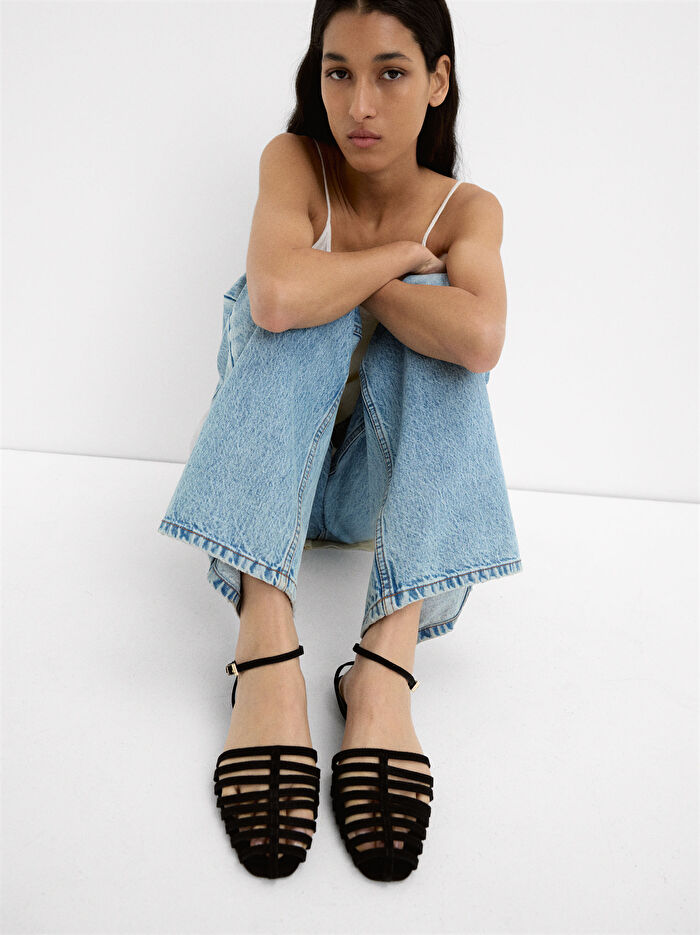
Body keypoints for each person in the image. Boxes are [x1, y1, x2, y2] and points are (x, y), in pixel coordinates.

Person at [158, 0, 523, 882]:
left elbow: (481, 340)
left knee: (434, 323)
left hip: (365, 498)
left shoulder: (468, 210)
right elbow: (278, 297)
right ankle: (266, 649)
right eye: (338, 72)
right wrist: (389, 264)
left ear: (437, 81)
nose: (360, 104)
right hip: (265, 480)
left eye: (391, 73)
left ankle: (383, 672)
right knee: (297, 305)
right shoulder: (295, 162)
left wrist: (361, 276)